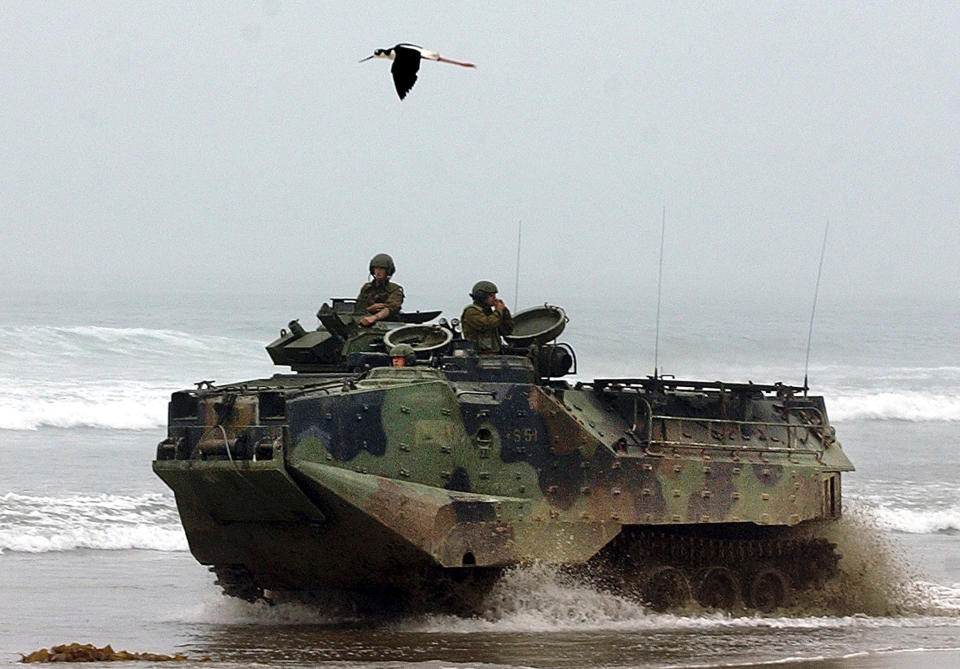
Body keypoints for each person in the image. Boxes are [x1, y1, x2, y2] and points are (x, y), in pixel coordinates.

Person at [460, 280, 514, 353]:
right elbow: (487, 324)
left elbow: (506, 330)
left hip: (495, 353)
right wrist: (498, 311)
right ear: (481, 296)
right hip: (478, 354)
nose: (494, 298)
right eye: (491, 296)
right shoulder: (471, 311)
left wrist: (504, 311)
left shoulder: (490, 313)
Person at [355, 253, 404, 326]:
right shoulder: (367, 288)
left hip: (388, 325)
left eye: (381, 269)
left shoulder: (395, 289)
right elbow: (357, 309)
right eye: (376, 268)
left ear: (388, 271)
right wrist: (369, 309)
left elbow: (390, 309)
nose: (378, 272)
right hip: (363, 323)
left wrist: (374, 317)